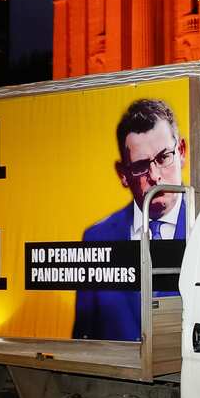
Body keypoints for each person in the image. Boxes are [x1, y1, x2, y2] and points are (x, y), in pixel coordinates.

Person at [73, 98, 188, 342]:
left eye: (164, 157)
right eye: (140, 166)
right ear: (123, 174)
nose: (155, 176)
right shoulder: (97, 239)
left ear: (182, 152)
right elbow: (84, 335)